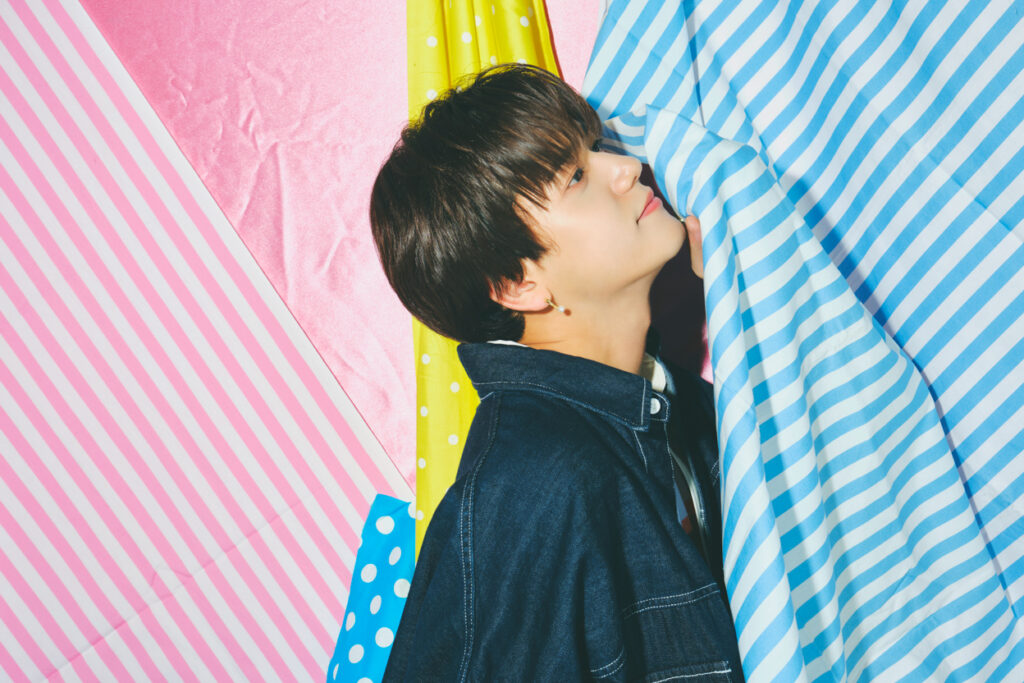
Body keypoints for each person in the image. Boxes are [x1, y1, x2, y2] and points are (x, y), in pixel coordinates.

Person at [370, 63, 744, 681]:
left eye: (596, 148)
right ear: (518, 284)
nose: (627, 168)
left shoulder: (675, 410)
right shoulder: (532, 484)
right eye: (575, 176)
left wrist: (743, 309)